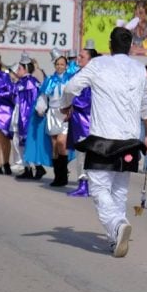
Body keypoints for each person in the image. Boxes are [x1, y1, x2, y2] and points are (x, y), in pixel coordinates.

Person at [63, 27, 147, 257]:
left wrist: (65, 105)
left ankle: (116, 225)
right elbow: (146, 105)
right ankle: (116, 237)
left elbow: (71, 87)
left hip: (103, 140)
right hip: (129, 141)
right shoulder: (139, 70)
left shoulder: (98, 64)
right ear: (131, 45)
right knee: (119, 191)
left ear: (109, 44)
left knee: (98, 189)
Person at [62, 47, 99, 197]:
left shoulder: (94, 77)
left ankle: (87, 184)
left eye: (82, 56)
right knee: (80, 153)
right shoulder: (78, 74)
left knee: (86, 152)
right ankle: (83, 183)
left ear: (90, 60)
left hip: (89, 119)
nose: (78, 58)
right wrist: (68, 106)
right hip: (78, 118)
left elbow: (87, 100)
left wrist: (71, 104)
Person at [39, 51, 72, 187]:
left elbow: (74, 95)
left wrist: (71, 109)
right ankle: (57, 176)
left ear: (66, 66)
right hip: (52, 113)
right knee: (54, 146)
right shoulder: (50, 80)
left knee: (61, 143)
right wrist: (41, 108)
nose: (59, 66)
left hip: (64, 113)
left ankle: (64, 175)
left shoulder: (71, 79)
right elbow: (43, 96)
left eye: (62, 64)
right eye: (57, 64)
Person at [14, 55, 50, 179]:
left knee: (27, 143)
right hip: (22, 115)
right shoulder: (24, 82)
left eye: (19, 68)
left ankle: (36, 168)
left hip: (27, 117)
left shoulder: (30, 82)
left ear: (25, 69)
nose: (17, 70)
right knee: (22, 143)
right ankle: (28, 168)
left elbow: (34, 101)